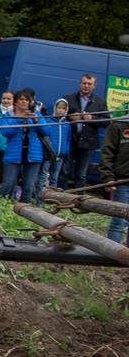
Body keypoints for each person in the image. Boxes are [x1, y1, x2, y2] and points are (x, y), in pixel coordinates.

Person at [0, 88, 48, 202]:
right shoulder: (8, 115)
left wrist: (36, 120)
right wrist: (19, 119)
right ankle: (1, 205)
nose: (24, 101)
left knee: (28, 187)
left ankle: (24, 208)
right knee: (8, 184)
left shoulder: (36, 114)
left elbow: (46, 131)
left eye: (27, 100)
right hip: (13, 154)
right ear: (15, 102)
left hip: (33, 155)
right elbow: (5, 132)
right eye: (21, 99)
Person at [62, 74, 108, 188]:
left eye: (89, 84)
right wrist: (69, 117)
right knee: (64, 171)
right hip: (69, 140)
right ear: (80, 84)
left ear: (94, 86)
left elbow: (107, 121)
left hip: (87, 143)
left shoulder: (100, 102)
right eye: (84, 83)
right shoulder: (68, 98)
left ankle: (79, 197)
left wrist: (92, 118)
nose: (86, 86)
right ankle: (59, 195)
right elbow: (57, 116)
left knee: (81, 174)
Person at [99, 104, 129, 244]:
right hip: (122, 181)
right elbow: (107, 153)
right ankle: (111, 252)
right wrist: (108, 177)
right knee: (119, 220)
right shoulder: (118, 125)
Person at [37, 98, 71, 194]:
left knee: (54, 177)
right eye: (59, 108)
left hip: (60, 156)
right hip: (48, 155)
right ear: (55, 108)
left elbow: (68, 139)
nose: (61, 110)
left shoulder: (67, 124)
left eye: (63, 109)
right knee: (43, 176)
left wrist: (66, 150)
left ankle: (51, 197)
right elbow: (44, 136)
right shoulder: (48, 121)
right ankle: (40, 197)